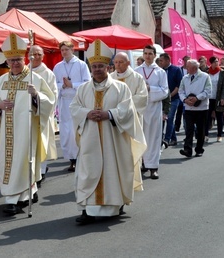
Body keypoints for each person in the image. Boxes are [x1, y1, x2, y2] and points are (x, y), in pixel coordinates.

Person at [70, 39, 147, 225]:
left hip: (113, 139)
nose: (97, 69)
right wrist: (87, 113)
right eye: (94, 66)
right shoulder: (83, 89)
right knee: (87, 171)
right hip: (90, 139)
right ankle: (87, 210)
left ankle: (114, 204)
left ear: (108, 67)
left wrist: (109, 114)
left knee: (114, 169)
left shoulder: (121, 88)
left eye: (101, 66)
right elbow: (74, 108)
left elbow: (128, 110)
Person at [0, 34, 55, 215]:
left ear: (24, 58)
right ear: (7, 62)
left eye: (18, 59)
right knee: (9, 162)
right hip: (7, 132)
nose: (15, 63)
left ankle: (13, 200)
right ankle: (28, 193)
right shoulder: (1, 81)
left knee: (23, 162)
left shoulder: (35, 79)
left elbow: (50, 102)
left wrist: (36, 96)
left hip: (27, 130)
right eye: (11, 61)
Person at [53, 41, 91, 172]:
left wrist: (72, 85)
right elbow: (53, 85)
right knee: (66, 132)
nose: (64, 52)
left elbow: (87, 83)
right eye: (62, 50)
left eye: (66, 49)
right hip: (64, 102)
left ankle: (79, 157)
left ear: (72, 50)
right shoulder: (58, 67)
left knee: (76, 130)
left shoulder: (81, 65)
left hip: (77, 101)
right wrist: (62, 86)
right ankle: (71, 159)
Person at [134, 45, 168, 179]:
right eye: (145, 53)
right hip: (141, 109)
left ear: (154, 55)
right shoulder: (136, 71)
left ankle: (153, 167)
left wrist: (150, 88)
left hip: (154, 108)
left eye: (150, 54)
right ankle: (142, 162)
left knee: (154, 137)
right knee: (140, 137)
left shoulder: (160, 72)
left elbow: (165, 91)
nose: (147, 56)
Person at [28, 45, 58, 188]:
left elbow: (53, 95)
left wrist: (39, 101)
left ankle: (40, 170)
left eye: (38, 54)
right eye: (33, 54)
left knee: (42, 142)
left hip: (43, 113)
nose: (35, 56)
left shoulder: (48, 74)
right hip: (26, 116)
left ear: (43, 56)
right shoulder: (24, 71)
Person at [179, 59, 211, 158]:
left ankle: (199, 149)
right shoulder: (185, 78)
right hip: (188, 108)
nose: (186, 68)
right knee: (189, 129)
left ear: (194, 68)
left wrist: (197, 98)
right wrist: (185, 100)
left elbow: (208, 91)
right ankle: (187, 150)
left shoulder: (205, 77)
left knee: (200, 130)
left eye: (188, 66)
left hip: (201, 108)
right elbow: (181, 91)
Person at [110, 52, 148, 122]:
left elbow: (142, 97)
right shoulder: (110, 78)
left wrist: (122, 107)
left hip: (132, 116)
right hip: (114, 117)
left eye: (121, 62)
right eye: (116, 62)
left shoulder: (137, 78)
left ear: (128, 63)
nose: (118, 65)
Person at [157, 53, 183, 146]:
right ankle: (173, 138)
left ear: (168, 60)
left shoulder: (176, 70)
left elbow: (178, 85)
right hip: (162, 99)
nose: (160, 62)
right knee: (163, 119)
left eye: (161, 60)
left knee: (170, 118)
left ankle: (167, 139)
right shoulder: (159, 71)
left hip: (174, 98)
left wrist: (170, 96)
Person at [206, 56, 224, 142]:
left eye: (217, 61)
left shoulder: (222, 73)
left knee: (219, 116)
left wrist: (223, 98)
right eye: (215, 62)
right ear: (211, 63)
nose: (217, 63)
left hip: (218, 98)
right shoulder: (207, 73)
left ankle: (219, 135)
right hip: (209, 98)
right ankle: (206, 134)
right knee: (207, 117)